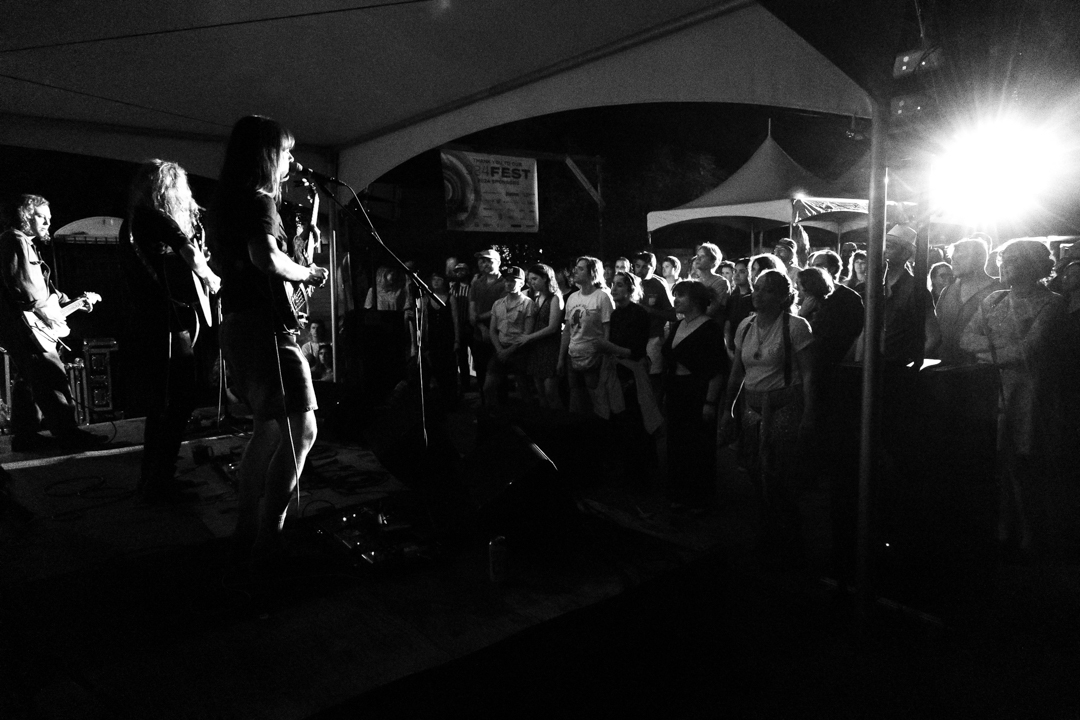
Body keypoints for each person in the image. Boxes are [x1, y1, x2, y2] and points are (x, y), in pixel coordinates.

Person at [206, 115, 328, 569]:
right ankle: (269, 536)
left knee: (268, 430)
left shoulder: (227, 201)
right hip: (266, 330)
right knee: (304, 431)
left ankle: (246, 530)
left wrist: (299, 251)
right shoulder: (258, 201)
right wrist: (308, 272)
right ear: (267, 155)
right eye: (287, 152)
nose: (291, 161)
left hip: (239, 325)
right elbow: (266, 258)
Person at [121, 159, 222, 502]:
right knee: (179, 399)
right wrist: (211, 277)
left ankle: (154, 477)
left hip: (150, 322)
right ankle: (158, 482)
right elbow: (186, 248)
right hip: (167, 324)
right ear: (168, 189)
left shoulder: (133, 223)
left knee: (163, 403)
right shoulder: (154, 217)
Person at [961, 239, 1066, 555]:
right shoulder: (993, 299)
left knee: (1024, 463)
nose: (1005, 265)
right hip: (993, 390)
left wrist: (987, 353)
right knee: (998, 462)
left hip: (1030, 392)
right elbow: (966, 338)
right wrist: (997, 354)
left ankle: (1031, 532)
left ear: (1034, 265)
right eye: (1004, 258)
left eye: (1015, 259)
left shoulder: (1051, 303)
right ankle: (1004, 527)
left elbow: (1028, 350)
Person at [720, 269, 816, 566]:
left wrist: (809, 413)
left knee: (781, 476)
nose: (758, 294)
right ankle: (768, 533)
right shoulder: (746, 326)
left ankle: (791, 541)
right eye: (757, 287)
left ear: (782, 297)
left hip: (784, 406)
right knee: (754, 471)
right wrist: (728, 409)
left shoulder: (795, 326)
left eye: (767, 290)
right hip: (751, 407)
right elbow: (737, 372)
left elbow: (809, 373)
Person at [0, 194, 106, 452]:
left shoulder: (24, 242)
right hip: (25, 324)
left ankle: (25, 436)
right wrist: (47, 314)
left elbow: (43, 289)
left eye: (49, 217)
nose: (48, 222)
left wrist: (71, 301)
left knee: (29, 380)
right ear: (25, 215)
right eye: (41, 217)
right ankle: (68, 435)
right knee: (51, 375)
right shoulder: (15, 240)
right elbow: (24, 288)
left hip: (23, 324)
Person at [662, 280, 728, 513]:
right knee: (677, 444)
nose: (676, 300)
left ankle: (699, 499)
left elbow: (717, 369)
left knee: (697, 445)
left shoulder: (710, 328)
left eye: (681, 295)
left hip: (697, 392)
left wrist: (710, 401)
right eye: (676, 295)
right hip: (677, 390)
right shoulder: (679, 325)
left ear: (696, 301)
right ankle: (679, 493)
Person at [558, 256, 614, 415]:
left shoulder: (602, 297)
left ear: (592, 273)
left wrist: (605, 356)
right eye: (576, 268)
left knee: (595, 398)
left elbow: (608, 329)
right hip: (573, 355)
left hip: (593, 357)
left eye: (581, 269)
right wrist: (561, 357)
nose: (575, 271)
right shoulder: (572, 297)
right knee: (575, 396)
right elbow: (567, 330)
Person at [935, 237, 1003, 365]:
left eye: (961, 257)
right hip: (946, 365)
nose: (954, 262)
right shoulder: (948, 291)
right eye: (953, 258)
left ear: (980, 259)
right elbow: (938, 328)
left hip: (982, 366)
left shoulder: (999, 290)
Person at [484, 266, 535, 408]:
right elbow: (493, 330)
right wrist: (500, 349)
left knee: (524, 389)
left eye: (513, 281)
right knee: (488, 387)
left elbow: (527, 332)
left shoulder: (528, 303)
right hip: (501, 348)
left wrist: (509, 350)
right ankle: (493, 413)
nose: (508, 283)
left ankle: (529, 416)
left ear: (521, 283)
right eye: (507, 280)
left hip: (519, 351)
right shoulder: (498, 304)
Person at [518, 263, 564, 409]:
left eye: (535, 279)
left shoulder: (555, 298)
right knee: (540, 392)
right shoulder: (537, 297)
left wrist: (529, 337)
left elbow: (552, 327)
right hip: (537, 348)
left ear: (545, 278)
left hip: (550, 348)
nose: (531, 283)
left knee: (550, 391)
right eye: (530, 279)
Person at [632, 251, 677, 400]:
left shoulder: (658, 285)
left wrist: (649, 310)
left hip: (653, 338)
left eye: (645, 267)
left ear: (653, 267)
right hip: (634, 338)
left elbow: (672, 314)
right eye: (637, 266)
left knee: (653, 377)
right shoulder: (629, 282)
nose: (640, 270)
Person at [468, 248, 506, 405]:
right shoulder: (477, 283)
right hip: (479, 334)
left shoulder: (505, 283)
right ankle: (485, 405)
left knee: (498, 373)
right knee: (481, 371)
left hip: (498, 334)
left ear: (498, 262)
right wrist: (481, 326)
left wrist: (479, 319)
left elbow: (499, 308)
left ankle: (501, 406)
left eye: (489, 261)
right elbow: (472, 307)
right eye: (482, 261)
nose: (484, 264)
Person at [419, 270, 459, 406]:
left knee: (449, 369)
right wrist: (422, 339)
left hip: (447, 338)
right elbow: (424, 321)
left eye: (439, 279)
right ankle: (439, 400)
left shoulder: (450, 298)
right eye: (434, 279)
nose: (436, 282)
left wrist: (457, 340)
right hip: (433, 338)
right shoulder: (426, 298)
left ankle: (451, 400)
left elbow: (455, 320)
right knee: (435, 368)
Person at [691, 242, 730, 326]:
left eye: (702, 256)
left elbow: (710, 309)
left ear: (713, 261)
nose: (698, 259)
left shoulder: (720, 282)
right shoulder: (695, 282)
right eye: (697, 256)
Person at [449, 260, 473, 393]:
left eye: (462, 271)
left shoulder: (472, 287)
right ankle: (465, 384)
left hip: (470, 325)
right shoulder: (453, 288)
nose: (459, 273)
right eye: (457, 271)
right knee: (462, 358)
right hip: (458, 325)